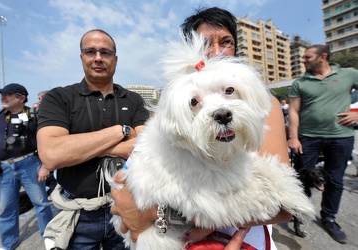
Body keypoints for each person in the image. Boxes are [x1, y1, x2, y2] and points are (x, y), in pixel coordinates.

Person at [111, 7, 291, 250]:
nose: (216, 52)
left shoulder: (264, 103)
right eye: (205, 43)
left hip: (241, 239)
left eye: (226, 42)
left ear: (236, 47)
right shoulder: (175, 107)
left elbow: (283, 206)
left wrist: (156, 214)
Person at [37, 29, 149, 250]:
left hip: (126, 209)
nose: (98, 57)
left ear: (115, 59)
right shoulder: (59, 98)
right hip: (79, 215)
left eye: (105, 52)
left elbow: (146, 148)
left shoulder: (134, 100)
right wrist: (121, 131)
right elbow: (52, 155)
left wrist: (81, 148)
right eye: (90, 51)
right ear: (82, 57)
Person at [287, 44, 358, 244]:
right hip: (308, 138)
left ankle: (329, 218)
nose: (303, 60)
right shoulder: (300, 83)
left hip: (341, 137)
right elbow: (293, 111)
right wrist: (293, 137)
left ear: (323, 57)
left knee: (335, 180)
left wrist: (356, 113)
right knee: (300, 180)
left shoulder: (349, 74)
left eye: (307, 57)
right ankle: (298, 215)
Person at [0, 83, 53, 250]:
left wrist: (46, 166)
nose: (2, 97)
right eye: (1, 94)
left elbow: (46, 143)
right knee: (7, 207)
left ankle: (50, 237)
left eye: (8, 94)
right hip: (4, 169)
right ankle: (8, 243)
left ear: (21, 98)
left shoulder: (35, 116)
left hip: (30, 164)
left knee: (41, 203)